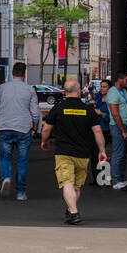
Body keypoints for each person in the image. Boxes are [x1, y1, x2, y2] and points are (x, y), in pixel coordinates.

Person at [40, 79, 109, 225]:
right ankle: (71, 210)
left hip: (64, 153)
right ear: (79, 91)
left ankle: (74, 212)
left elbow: (46, 128)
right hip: (83, 154)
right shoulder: (88, 110)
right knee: (76, 186)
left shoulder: (58, 108)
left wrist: (44, 141)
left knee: (67, 183)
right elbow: (98, 131)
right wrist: (102, 150)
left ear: (65, 92)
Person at [0, 61, 41, 201]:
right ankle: (20, 192)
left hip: (5, 127)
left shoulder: (2, 88)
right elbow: (35, 113)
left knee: (5, 157)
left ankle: (6, 177)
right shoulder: (29, 90)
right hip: (23, 128)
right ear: (24, 74)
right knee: (22, 161)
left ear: (12, 73)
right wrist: (34, 127)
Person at [105, 71, 127, 191]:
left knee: (126, 153)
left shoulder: (124, 91)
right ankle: (116, 180)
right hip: (118, 126)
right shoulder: (112, 92)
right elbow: (115, 113)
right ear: (120, 80)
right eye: (126, 79)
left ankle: (121, 178)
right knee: (118, 153)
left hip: (126, 125)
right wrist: (123, 130)